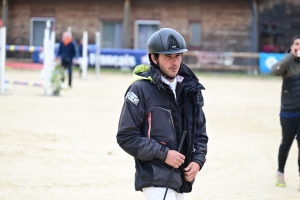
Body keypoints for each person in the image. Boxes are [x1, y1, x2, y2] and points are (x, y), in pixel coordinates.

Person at [116, 28, 208, 200]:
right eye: (168, 57)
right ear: (154, 58)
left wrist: (198, 160)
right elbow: (126, 136)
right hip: (154, 177)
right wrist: (164, 154)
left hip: (181, 179)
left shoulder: (191, 89)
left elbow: (200, 133)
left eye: (178, 56)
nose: (174, 62)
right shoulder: (139, 89)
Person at [271, 34, 300, 190]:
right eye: (297, 44)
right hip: (288, 111)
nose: (299, 46)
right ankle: (280, 171)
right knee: (286, 143)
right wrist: (291, 56)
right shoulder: (287, 63)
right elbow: (275, 70)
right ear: (292, 46)